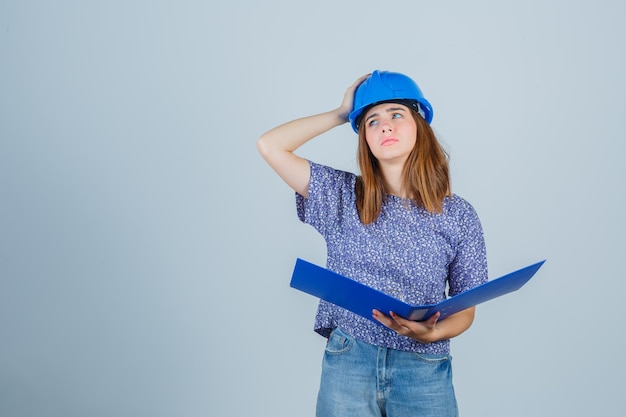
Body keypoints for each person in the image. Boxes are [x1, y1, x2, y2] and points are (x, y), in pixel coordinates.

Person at [257, 70, 488, 417]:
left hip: (423, 369)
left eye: (397, 114)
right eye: (371, 121)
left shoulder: (459, 215)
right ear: (364, 138)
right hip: (350, 361)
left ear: (420, 125)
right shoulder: (341, 195)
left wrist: (433, 332)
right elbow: (270, 146)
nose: (385, 126)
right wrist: (340, 113)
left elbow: (467, 308)